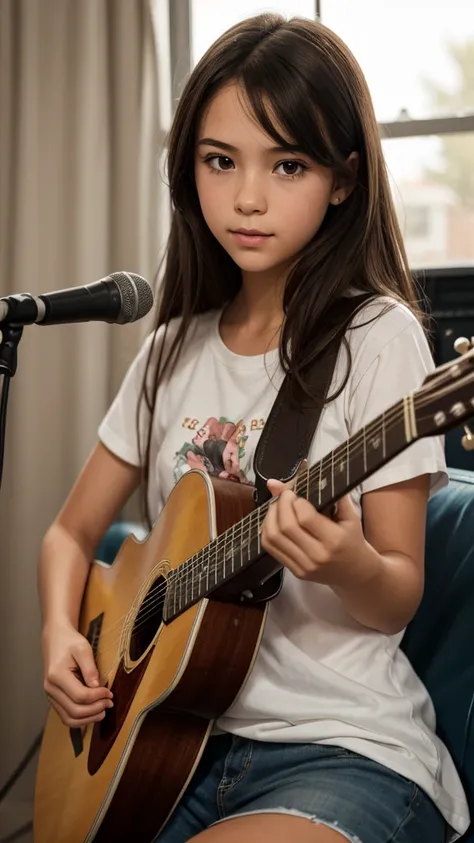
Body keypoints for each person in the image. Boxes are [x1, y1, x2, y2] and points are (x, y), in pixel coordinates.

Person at [38, 13, 470, 843]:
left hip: (342, 748)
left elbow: (397, 592)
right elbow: (69, 533)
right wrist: (61, 632)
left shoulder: (378, 338)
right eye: (221, 160)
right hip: (169, 744)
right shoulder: (171, 348)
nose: (246, 197)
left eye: (289, 165)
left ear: (343, 180)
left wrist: (349, 563)